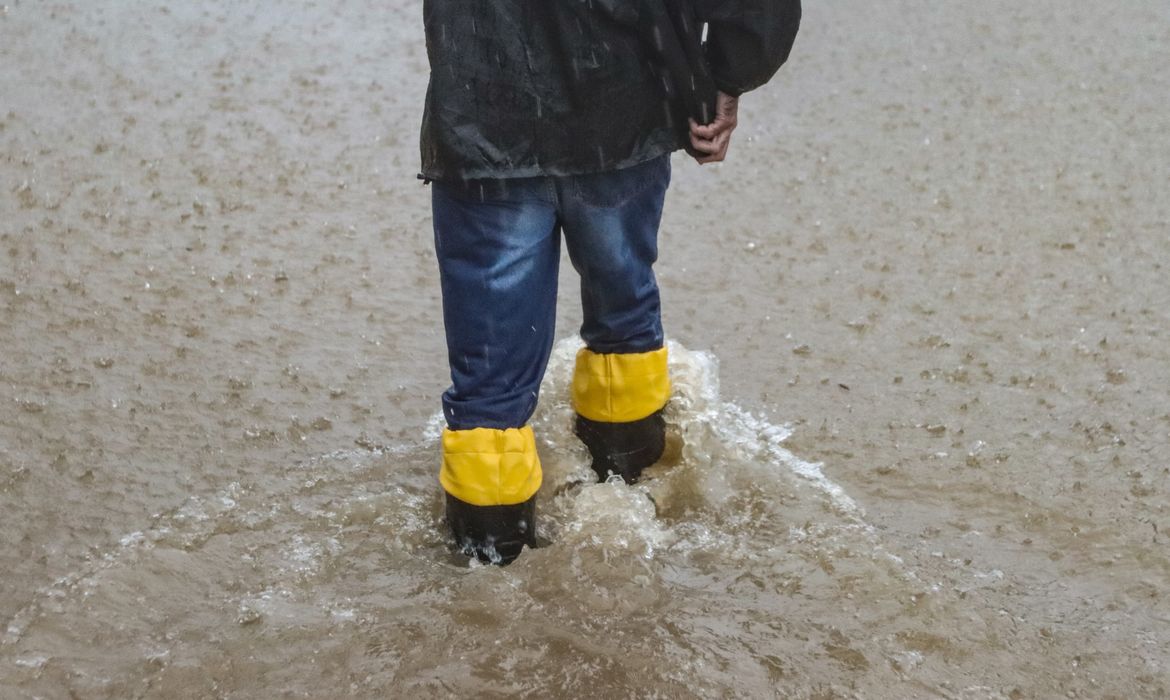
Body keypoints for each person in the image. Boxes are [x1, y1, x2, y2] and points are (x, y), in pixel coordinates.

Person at [420, 0, 801, 564]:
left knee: (489, 387)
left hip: (483, 120)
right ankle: (631, 497)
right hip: (622, 114)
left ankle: (487, 571)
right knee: (624, 315)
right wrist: (727, 77)